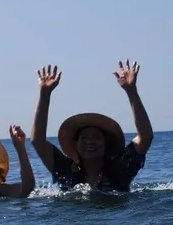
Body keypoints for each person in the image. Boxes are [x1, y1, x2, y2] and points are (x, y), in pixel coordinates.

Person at [30, 59, 153, 193]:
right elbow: (38, 141)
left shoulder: (120, 168)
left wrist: (131, 91)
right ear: (76, 144)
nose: (90, 142)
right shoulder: (64, 169)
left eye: (96, 137)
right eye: (84, 138)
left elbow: (145, 137)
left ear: (106, 143)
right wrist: (44, 94)